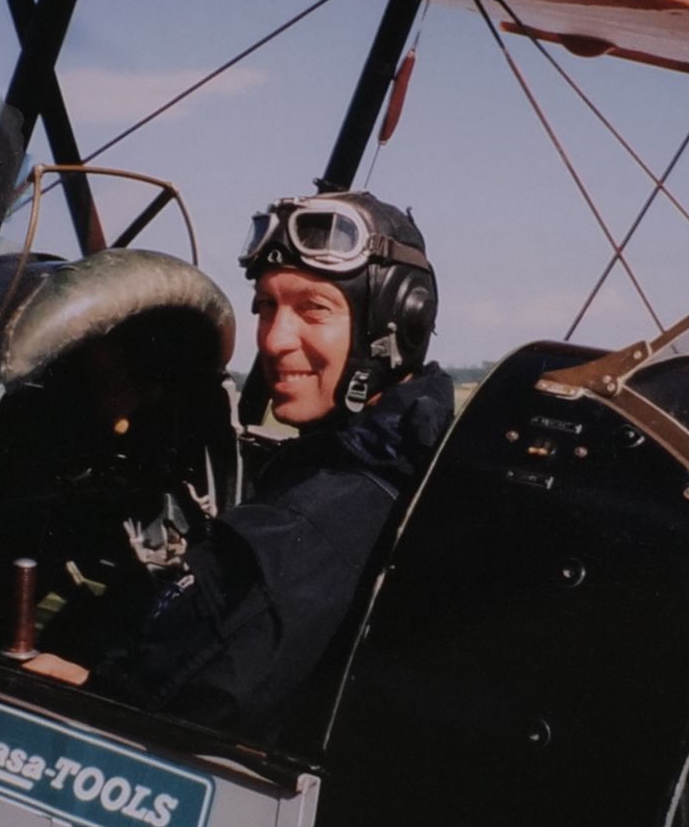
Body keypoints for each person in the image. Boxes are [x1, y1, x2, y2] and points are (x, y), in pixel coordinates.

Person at [25, 191, 454, 741]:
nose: (274, 340)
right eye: (266, 306)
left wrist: (95, 690)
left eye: (313, 309)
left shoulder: (318, 519)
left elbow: (176, 711)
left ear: (399, 326)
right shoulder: (396, 461)